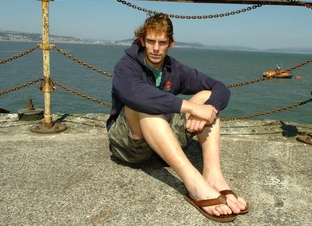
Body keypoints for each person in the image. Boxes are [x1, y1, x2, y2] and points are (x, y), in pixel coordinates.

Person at [106, 13, 249, 222]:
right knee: (146, 105)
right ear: (142, 40)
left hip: (160, 141)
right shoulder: (126, 66)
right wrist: (190, 107)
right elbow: (134, 95)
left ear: (170, 44)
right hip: (130, 144)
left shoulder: (174, 69)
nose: (156, 48)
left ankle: (213, 175)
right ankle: (194, 184)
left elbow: (220, 88)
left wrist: (207, 109)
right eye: (151, 41)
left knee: (208, 97)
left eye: (162, 42)